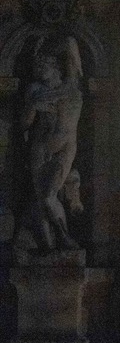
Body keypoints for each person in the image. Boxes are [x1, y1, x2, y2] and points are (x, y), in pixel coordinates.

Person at [18, 37, 83, 252]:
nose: (37, 70)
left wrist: (46, 44)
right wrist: (32, 106)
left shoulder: (70, 85)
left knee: (48, 197)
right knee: (40, 199)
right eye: (35, 66)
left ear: (55, 66)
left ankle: (64, 239)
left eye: (42, 65)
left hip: (64, 147)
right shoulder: (35, 91)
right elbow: (24, 124)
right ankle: (49, 247)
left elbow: (70, 43)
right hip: (39, 146)